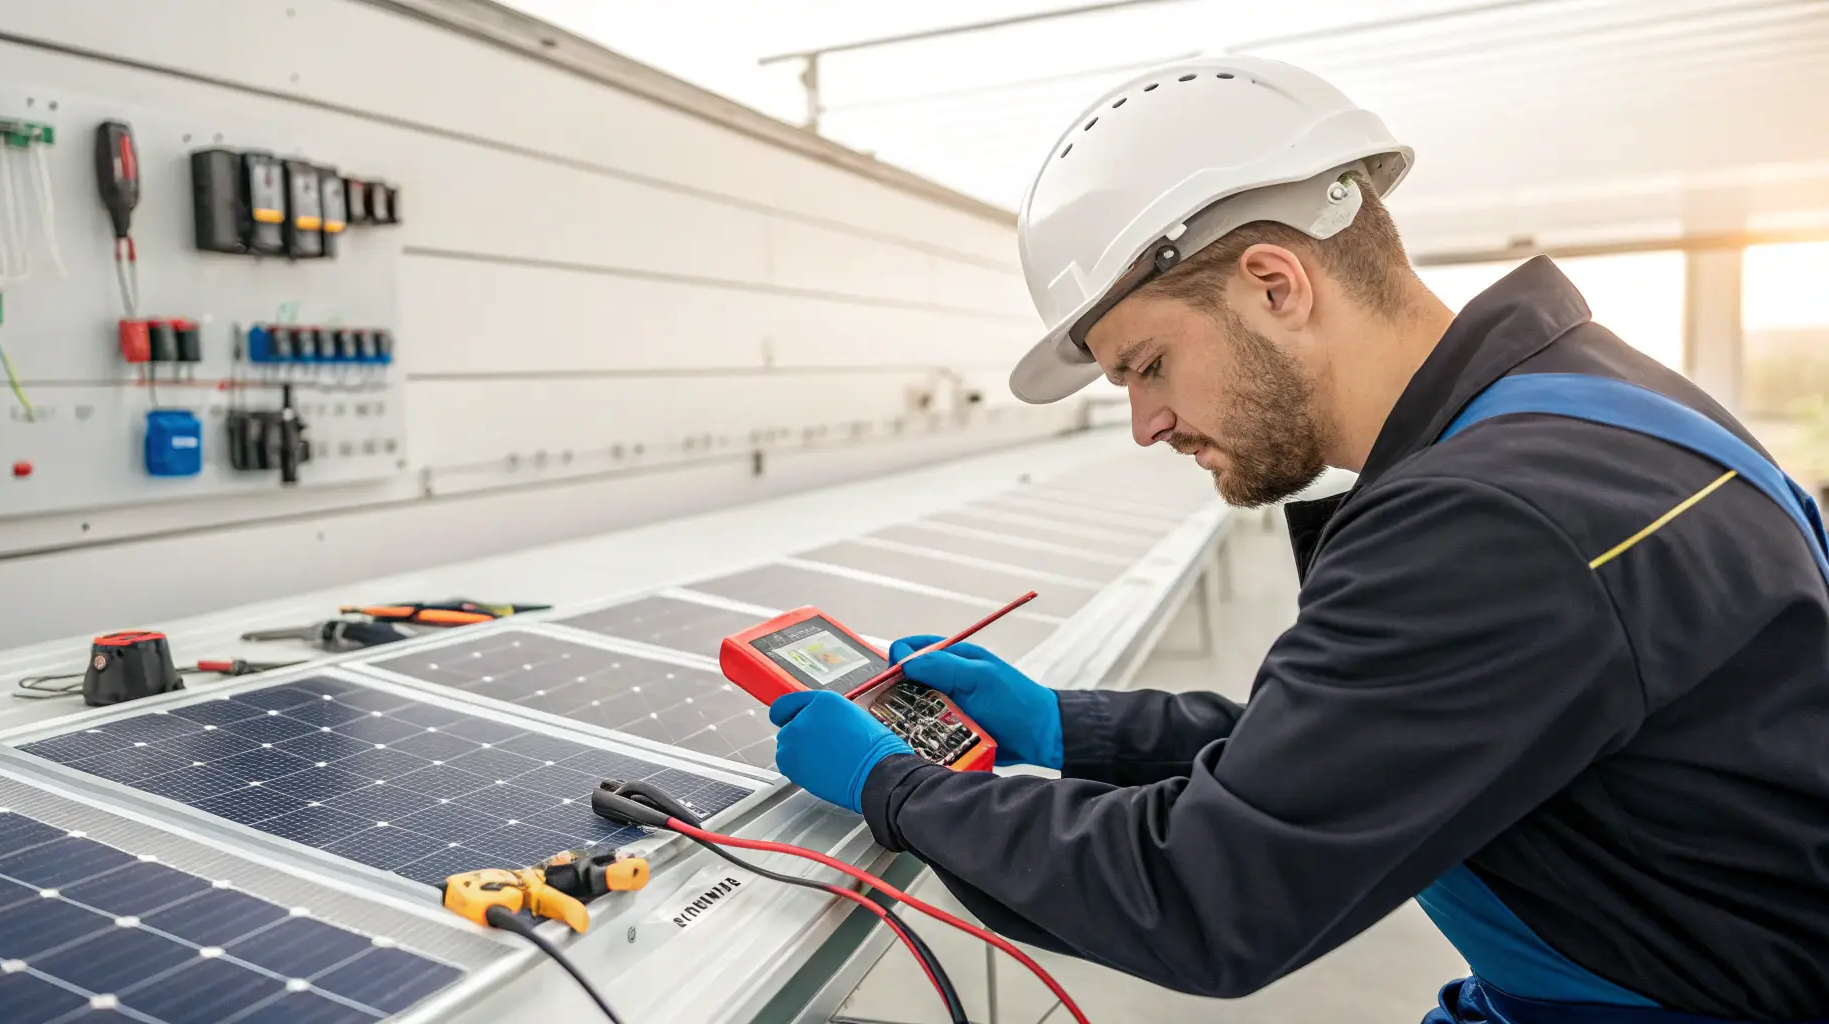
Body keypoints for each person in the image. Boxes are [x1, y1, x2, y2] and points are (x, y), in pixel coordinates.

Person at [765, 56, 1829, 1023]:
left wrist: (897, 789)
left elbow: (1203, 893)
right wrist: (1062, 726)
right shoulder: (1595, 407)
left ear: (1275, 285)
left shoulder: (1485, 523)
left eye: (1145, 366)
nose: (1143, 422)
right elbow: (1360, 736)